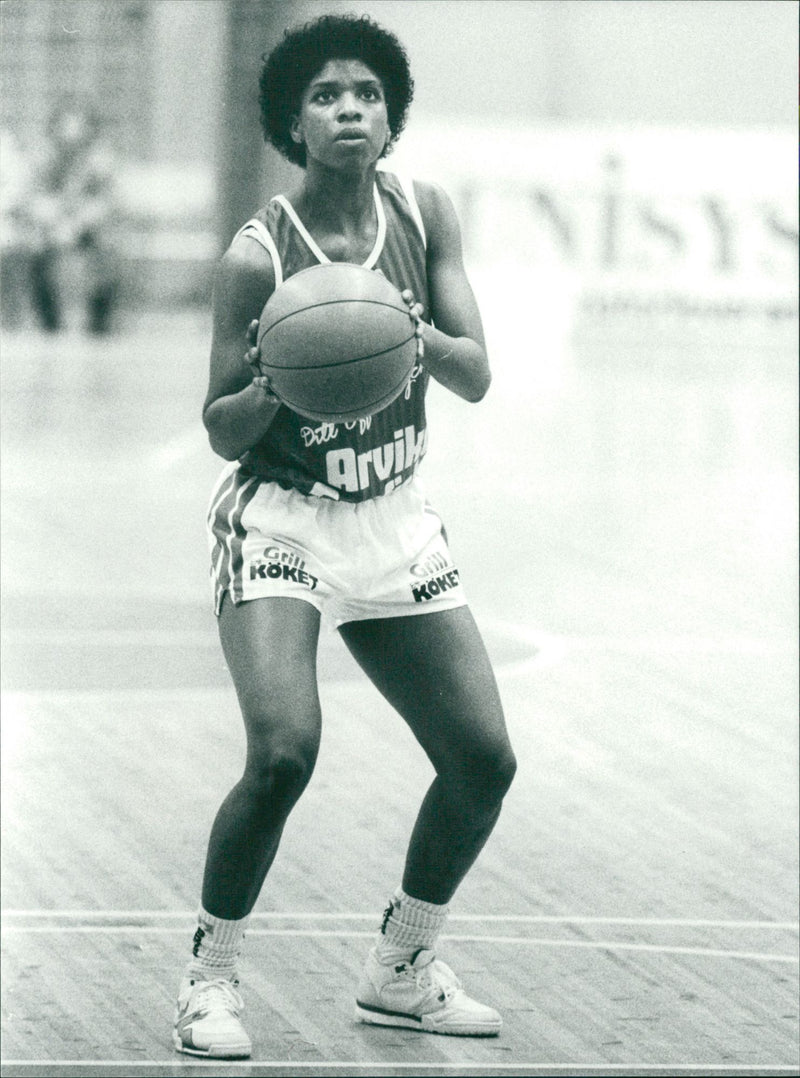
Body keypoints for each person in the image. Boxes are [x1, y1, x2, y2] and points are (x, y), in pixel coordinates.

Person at [173, 14, 517, 1059]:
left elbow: (473, 374)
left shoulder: (426, 213)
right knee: (283, 751)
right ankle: (208, 978)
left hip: (392, 516)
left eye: (366, 93)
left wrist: (413, 336)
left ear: (390, 112)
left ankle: (401, 967)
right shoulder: (256, 255)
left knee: (482, 760)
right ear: (292, 120)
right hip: (281, 519)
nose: (350, 110)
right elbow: (219, 424)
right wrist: (275, 383)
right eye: (325, 96)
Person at [27, 104, 120, 335]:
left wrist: (80, 223)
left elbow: (108, 201)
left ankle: (98, 324)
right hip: (53, 226)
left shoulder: (101, 160)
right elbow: (34, 197)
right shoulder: (44, 158)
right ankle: (49, 324)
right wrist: (57, 221)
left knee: (107, 252)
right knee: (35, 250)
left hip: (89, 227)